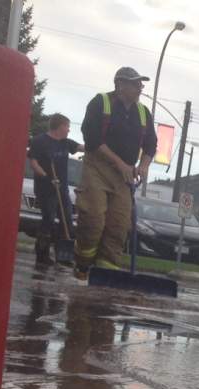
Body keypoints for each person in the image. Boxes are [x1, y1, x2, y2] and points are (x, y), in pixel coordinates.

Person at [73, 66, 157, 279]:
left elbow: (150, 146)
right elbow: (92, 139)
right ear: (120, 85)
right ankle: (82, 264)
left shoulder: (143, 112)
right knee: (93, 219)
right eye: (136, 84)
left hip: (124, 177)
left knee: (118, 227)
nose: (140, 88)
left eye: (141, 84)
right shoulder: (101, 102)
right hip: (97, 169)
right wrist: (119, 163)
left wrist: (144, 166)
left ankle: (105, 275)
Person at [28, 113, 80, 265]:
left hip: (62, 188)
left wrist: (96, 145)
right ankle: (42, 254)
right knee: (49, 219)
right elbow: (34, 163)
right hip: (46, 188)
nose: (69, 130)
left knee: (67, 220)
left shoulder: (65, 142)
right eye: (68, 127)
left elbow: (82, 147)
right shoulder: (40, 141)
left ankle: (63, 255)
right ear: (60, 126)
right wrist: (47, 177)